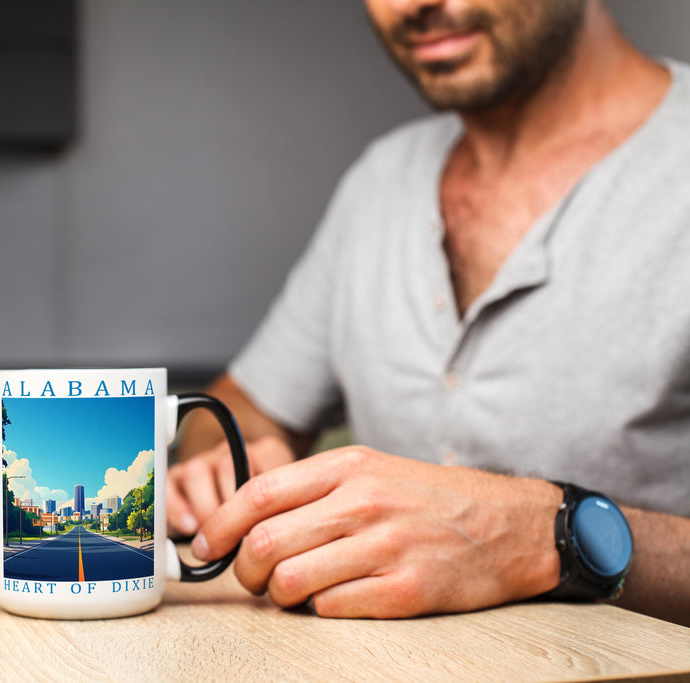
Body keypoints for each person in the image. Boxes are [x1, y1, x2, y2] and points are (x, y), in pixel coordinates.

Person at [166, 0, 690, 626]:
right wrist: (228, 462)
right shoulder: (380, 182)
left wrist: (540, 536)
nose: (414, 4)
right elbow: (241, 408)